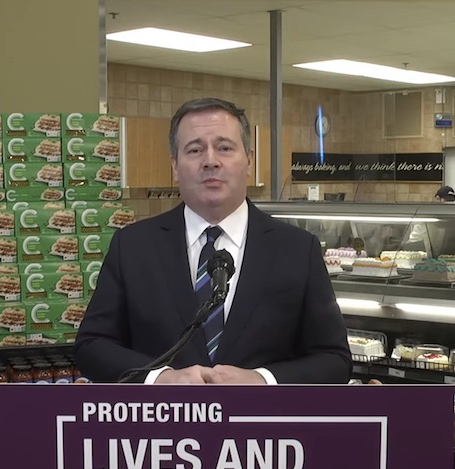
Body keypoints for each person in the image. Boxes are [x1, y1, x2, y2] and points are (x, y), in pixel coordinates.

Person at [75, 98, 352, 384]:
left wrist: (263, 380)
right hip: (162, 426)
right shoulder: (132, 246)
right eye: (195, 150)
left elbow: (334, 360)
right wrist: (159, 378)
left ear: (248, 160)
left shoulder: (297, 249)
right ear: (174, 165)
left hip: (262, 427)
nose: (210, 160)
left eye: (224, 148)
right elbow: (92, 346)